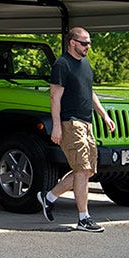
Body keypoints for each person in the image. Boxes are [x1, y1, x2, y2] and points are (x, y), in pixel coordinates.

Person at [37, 27, 115, 232]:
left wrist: (104, 115)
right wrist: (56, 126)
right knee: (81, 170)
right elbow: (55, 97)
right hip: (71, 123)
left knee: (87, 170)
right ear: (72, 43)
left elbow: (89, 92)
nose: (88, 46)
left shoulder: (85, 64)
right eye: (84, 43)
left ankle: (49, 197)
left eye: (89, 43)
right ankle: (83, 218)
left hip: (87, 123)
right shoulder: (62, 65)